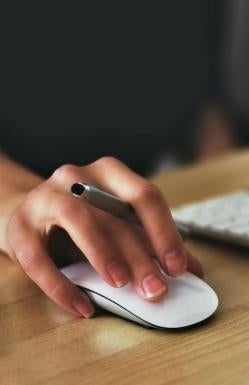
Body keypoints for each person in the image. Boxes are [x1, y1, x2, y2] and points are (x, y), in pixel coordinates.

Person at [0, 1, 232, 319]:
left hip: (148, 209)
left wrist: (233, 199)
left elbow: (206, 104)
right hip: (34, 197)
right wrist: (18, 206)